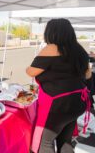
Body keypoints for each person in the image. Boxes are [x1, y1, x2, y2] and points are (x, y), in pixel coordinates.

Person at [26, 19, 91, 153]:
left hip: (58, 105)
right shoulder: (79, 49)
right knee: (65, 141)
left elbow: (31, 72)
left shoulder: (51, 48)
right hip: (78, 101)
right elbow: (88, 74)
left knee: (44, 142)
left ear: (51, 32)